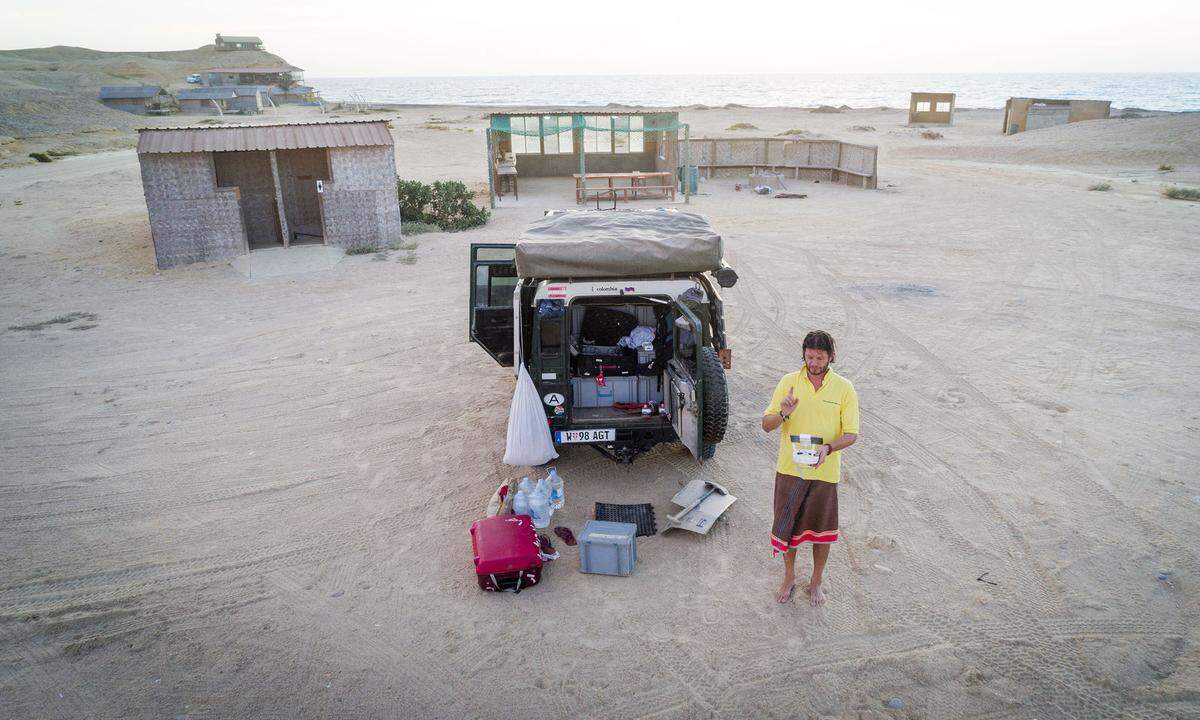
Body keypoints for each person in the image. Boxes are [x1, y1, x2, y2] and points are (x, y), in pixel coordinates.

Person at [761, 330, 859, 606]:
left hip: (824, 472)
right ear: (803, 354)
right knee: (787, 527)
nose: (814, 363)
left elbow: (851, 434)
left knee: (821, 531)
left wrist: (828, 448)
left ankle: (816, 581)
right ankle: (789, 576)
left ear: (831, 357)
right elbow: (766, 425)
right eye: (809, 357)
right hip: (790, 469)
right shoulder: (789, 382)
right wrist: (783, 413)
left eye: (819, 357)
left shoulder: (844, 388)